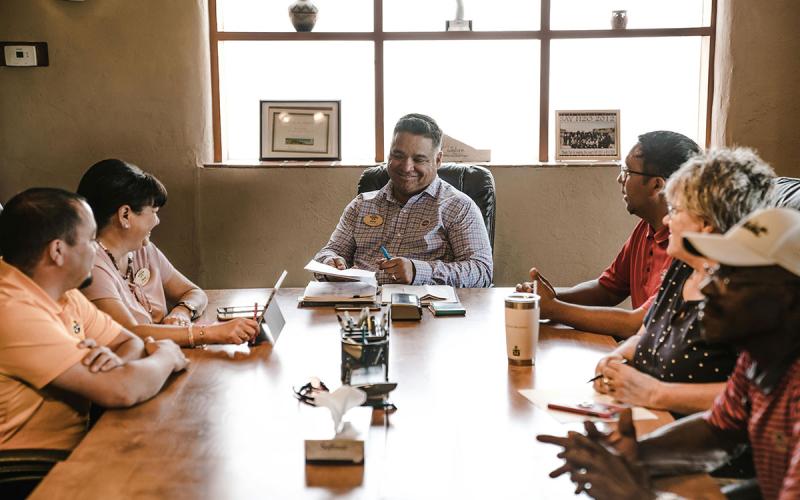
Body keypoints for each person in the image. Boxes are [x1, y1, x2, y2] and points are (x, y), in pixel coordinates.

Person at [537, 207, 800, 500]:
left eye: (730, 279)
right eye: (715, 271)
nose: (708, 288)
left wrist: (641, 497)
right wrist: (632, 453)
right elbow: (719, 429)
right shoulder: (761, 358)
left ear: (788, 300)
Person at [0, 188, 188, 450]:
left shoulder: (63, 291)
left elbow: (130, 341)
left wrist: (116, 364)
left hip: (76, 445)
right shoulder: (14, 311)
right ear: (57, 251)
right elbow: (122, 390)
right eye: (90, 240)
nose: (96, 249)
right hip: (28, 463)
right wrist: (167, 356)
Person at [592, 148, 775, 415]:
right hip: (647, 415)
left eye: (675, 210)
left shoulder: (746, 294)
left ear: (706, 224)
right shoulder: (682, 267)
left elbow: (757, 395)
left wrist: (655, 393)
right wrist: (616, 357)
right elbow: (645, 334)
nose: (667, 219)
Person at [517, 131, 700, 337]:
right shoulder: (645, 228)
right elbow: (607, 290)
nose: (620, 179)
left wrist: (554, 309)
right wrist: (549, 296)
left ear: (656, 185)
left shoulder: (686, 245)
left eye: (628, 171)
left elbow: (637, 324)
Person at [77, 159, 257, 347]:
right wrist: (209, 333)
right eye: (153, 211)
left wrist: (182, 311)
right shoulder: (91, 266)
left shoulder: (143, 250)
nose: (157, 221)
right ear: (125, 215)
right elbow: (129, 333)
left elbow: (194, 292)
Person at [313, 113, 493, 287]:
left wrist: (417, 271)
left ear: (438, 160)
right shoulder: (361, 205)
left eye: (419, 159)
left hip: (424, 304)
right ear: (389, 155)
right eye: (398, 156)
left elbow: (481, 272)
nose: (406, 167)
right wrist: (330, 263)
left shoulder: (459, 207)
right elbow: (330, 252)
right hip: (361, 302)